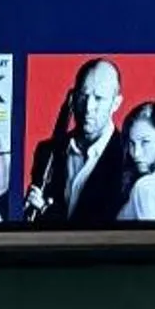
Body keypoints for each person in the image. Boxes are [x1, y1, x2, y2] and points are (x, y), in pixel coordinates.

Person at [23, 57, 128, 226]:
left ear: (116, 103)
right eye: (83, 96)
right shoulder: (47, 151)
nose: (88, 107)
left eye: (99, 98)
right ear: (72, 97)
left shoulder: (128, 158)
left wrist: (45, 210)